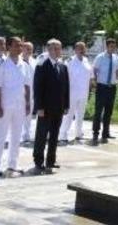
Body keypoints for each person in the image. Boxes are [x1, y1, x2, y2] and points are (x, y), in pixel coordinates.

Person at [0, 37, 30, 176]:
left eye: (21, 45)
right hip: (5, 105)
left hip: (19, 104)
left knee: (16, 136)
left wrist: (28, 103)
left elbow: (27, 85)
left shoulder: (24, 64)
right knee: (0, 135)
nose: (19, 48)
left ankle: (13, 164)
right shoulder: (2, 64)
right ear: (8, 47)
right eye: (16, 45)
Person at [32, 39, 70, 171]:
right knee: (42, 135)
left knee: (54, 135)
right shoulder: (42, 66)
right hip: (45, 108)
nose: (58, 51)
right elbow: (38, 88)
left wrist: (66, 105)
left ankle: (50, 161)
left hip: (58, 107)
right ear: (49, 50)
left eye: (59, 48)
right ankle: (38, 161)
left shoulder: (63, 66)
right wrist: (39, 107)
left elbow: (66, 88)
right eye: (55, 48)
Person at [90, 38, 118, 145]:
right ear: (107, 46)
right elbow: (94, 70)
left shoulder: (116, 58)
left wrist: (116, 77)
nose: (113, 48)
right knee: (98, 111)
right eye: (111, 46)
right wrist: (94, 82)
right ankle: (95, 133)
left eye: (114, 46)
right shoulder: (100, 57)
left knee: (109, 111)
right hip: (102, 87)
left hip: (111, 87)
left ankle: (105, 133)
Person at [60, 41, 92, 145]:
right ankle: (63, 134)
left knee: (80, 115)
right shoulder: (70, 61)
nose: (82, 50)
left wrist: (90, 90)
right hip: (72, 93)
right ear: (75, 50)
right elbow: (64, 78)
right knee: (69, 114)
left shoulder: (86, 61)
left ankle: (78, 133)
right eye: (80, 48)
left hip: (83, 93)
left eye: (83, 48)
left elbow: (90, 77)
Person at [20, 41, 36, 144]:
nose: (29, 51)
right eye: (27, 48)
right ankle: (17, 134)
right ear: (22, 49)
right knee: (18, 114)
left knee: (28, 114)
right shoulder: (18, 61)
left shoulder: (34, 61)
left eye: (31, 49)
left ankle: (26, 134)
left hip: (31, 92)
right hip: (19, 92)